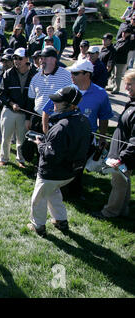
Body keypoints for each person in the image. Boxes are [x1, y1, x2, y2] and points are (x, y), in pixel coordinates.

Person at [42, 59, 113, 199]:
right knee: (63, 164)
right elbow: (46, 110)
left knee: (78, 166)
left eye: (75, 73)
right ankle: (61, 191)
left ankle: (75, 191)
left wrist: (102, 138)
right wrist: (46, 131)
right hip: (65, 137)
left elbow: (104, 117)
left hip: (86, 139)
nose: (71, 76)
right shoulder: (67, 91)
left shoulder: (101, 94)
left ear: (87, 74)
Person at [28, 87, 91, 237]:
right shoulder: (83, 120)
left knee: (39, 198)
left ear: (70, 105)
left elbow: (50, 155)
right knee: (54, 193)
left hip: (52, 173)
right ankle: (60, 220)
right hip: (70, 172)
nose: (54, 103)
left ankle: (38, 226)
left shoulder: (61, 127)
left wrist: (40, 144)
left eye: (58, 101)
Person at [94, 70, 135, 219]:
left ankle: (110, 212)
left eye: (130, 84)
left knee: (118, 183)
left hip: (125, 156)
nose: (126, 88)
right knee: (124, 181)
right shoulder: (132, 103)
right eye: (126, 84)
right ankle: (123, 210)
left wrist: (122, 158)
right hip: (123, 154)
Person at [0, 48, 38, 168]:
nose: (16, 61)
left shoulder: (34, 74)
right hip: (9, 110)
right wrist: (11, 103)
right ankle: (4, 158)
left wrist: (29, 116)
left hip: (25, 113)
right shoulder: (8, 73)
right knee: (6, 137)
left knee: (22, 138)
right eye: (14, 58)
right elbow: (1, 93)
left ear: (27, 59)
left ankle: (21, 160)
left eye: (20, 58)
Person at [107, 26, 135, 94]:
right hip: (115, 59)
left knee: (118, 75)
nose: (123, 34)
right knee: (113, 74)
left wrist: (114, 48)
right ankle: (112, 85)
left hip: (121, 60)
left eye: (125, 33)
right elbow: (115, 46)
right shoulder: (120, 39)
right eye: (123, 32)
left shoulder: (128, 41)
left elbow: (118, 48)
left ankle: (117, 89)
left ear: (129, 34)